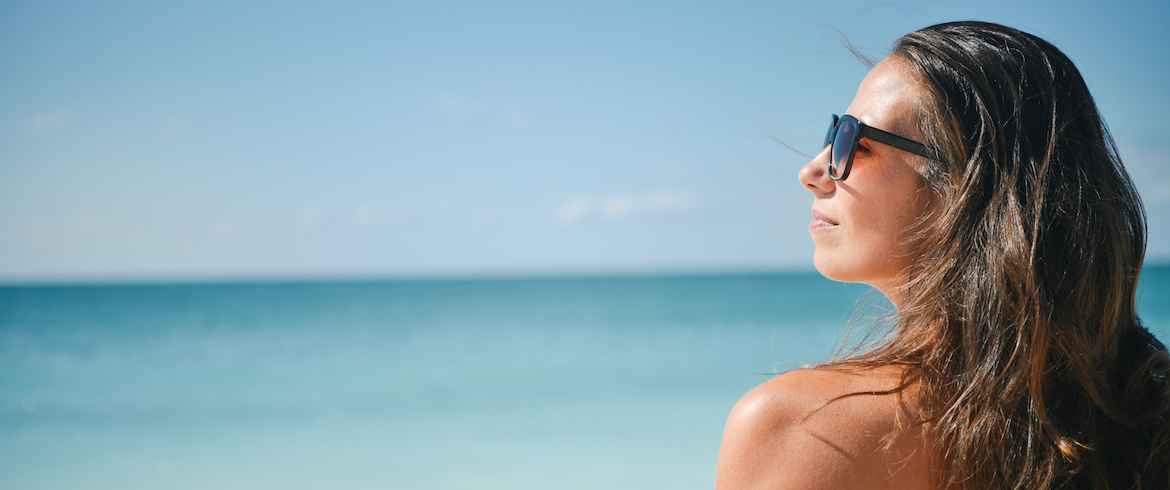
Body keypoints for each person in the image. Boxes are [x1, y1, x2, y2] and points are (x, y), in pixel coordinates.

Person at [716, 21, 1170, 489]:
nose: (812, 170)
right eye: (833, 131)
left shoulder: (803, 431)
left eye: (853, 139)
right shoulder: (1134, 423)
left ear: (965, 187)